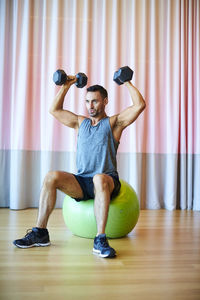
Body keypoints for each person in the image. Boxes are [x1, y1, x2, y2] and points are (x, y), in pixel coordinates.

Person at [13, 74, 146, 258]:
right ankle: (40, 232)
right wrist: (67, 85)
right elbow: (54, 110)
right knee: (51, 176)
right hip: (83, 182)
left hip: (107, 181)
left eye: (95, 102)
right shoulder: (80, 123)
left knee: (99, 178)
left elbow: (139, 105)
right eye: (87, 101)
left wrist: (126, 81)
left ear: (105, 101)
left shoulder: (114, 124)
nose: (90, 106)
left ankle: (100, 239)